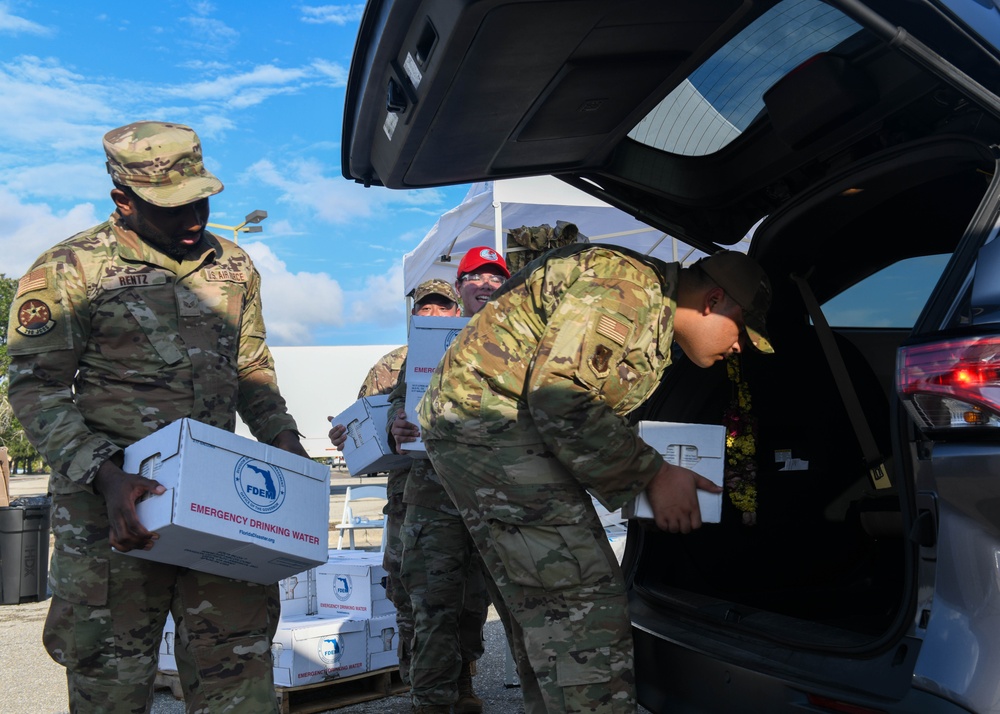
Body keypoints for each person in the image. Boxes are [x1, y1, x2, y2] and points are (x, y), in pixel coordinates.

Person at [6, 121, 309, 714]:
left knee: (238, 682)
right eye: (172, 208)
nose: (194, 218)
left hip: (217, 507)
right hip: (111, 514)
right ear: (122, 199)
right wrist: (106, 474)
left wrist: (285, 440)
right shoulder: (70, 269)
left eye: (200, 199)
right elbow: (37, 390)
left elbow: (252, 368)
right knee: (109, 687)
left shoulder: (233, 264)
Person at [416, 244, 774, 714]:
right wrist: (653, 474)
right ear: (713, 301)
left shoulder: (646, 305)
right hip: (493, 428)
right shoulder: (627, 291)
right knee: (585, 610)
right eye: (741, 331)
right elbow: (560, 398)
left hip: (491, 431)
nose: (738, 347)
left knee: (549, 613)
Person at [388, 246, 510, 714]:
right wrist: (397, 425)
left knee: (474, 604)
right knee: (432, 606)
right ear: (460, 291)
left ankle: (462, 687)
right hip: (435, 496)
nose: (485, 283)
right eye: (474, 276)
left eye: (494, 277)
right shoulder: (428, 345)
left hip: (495, 496)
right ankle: (433, 702)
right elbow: (401, 406)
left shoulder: (526, 340)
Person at [327, 277, 463, 688]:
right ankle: (418, 682)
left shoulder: (477, 353)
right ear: (413, 314)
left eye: (443, 307)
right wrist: (343, 434)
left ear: (457, 312)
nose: (434, 314)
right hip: (409, 497)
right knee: (411, 591)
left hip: (466, 490)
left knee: (466, 595)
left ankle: (464, 683)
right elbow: (359, 423)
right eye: (426, 308)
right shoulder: (391, 366)